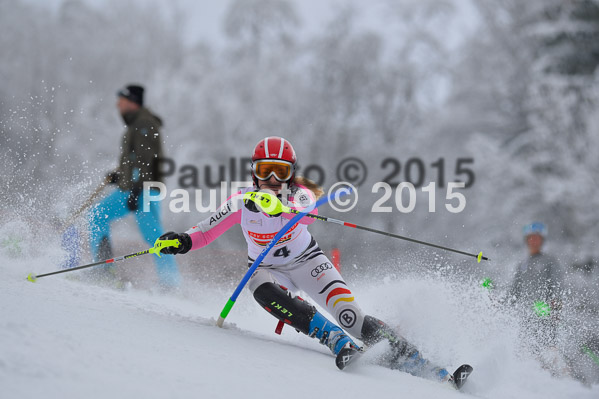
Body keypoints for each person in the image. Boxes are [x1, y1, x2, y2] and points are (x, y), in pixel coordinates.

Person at [157, 136, 467, 388]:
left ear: (292, 173)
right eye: (266, 171)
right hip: (266, 268)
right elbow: (204, 233)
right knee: (261, 287)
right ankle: (332, 338)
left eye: (281, 172)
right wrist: (181, 242)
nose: (273, 179)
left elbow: (304, 211)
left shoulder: (301, 195)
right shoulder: (240, 202)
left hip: (308, 262)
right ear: (254, 172)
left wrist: (278, 207)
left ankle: (424, 365)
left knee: (351, 317)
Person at [87, 84, 180, 289]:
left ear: (132, 102)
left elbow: (148, 160)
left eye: (121, 101)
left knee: (153, 235)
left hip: (143, 190)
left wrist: (137, 188)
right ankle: (105, 270)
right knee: (99, 215)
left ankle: (171, 284)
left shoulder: (144, 124)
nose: (117, 106)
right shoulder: (137, 124)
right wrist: (119, 176)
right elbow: (135, 159)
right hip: (137, 187)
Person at [507, 222, 568, 374]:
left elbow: (557, 285)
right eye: (530, 238)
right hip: (526, 318)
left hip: (545, 314)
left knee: (548, 352)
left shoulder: (550, 261)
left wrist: (555, 303)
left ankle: (559, 381)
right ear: (526, 240)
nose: (533, 241)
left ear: (542, 240)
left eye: (537, 238)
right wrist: (500, 302)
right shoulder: (522, 264)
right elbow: (514, 292)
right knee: (528, 353)